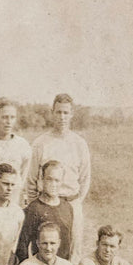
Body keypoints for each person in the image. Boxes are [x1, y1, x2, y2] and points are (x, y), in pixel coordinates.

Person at [26, 93, 93, 255]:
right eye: (58, 112)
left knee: (72, 251)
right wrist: (38, 207)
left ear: (71, 114)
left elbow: (85, 179)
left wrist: (73, 203)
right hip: (46, 205)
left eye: (65, 113)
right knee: (44, 250)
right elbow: (31, 180)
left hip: (71, 203)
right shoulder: (40, 143)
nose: (62, 117)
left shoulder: (79, 143)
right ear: (52, 113)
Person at [17, 160, 77, 265]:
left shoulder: (67, 207)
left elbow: (70, 242)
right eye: (49, 179)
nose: (53, 184)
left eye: (57, 180)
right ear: (42, 180)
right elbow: (22, 246)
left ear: (62, 182)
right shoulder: (33, 209)